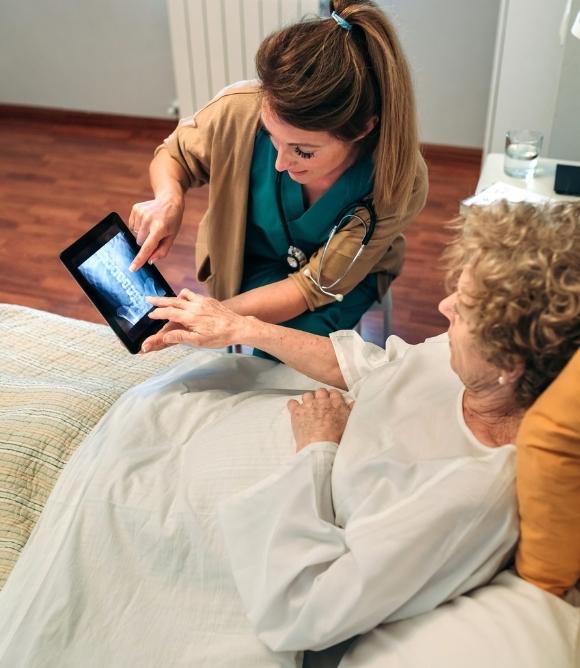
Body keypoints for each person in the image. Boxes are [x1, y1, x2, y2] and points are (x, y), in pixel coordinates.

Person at [0, 203, 577, 666]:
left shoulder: (473, 496)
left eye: (467, 307)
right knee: (150, 410)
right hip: (259, 423)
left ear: (513, 363)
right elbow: (371, 366)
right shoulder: (464, 375)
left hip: (257, 524)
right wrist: (239, 327)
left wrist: (318, 453)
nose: (445, 305)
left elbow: (308, 608)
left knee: (102, 525)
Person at [129, 0, 428, 354]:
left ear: (362, 130)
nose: (280, 164)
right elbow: (174, 154)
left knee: (280, 359)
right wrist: (169, 197)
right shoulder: (240, 110)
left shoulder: (397, 180)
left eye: (303, 151)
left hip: (337, 285)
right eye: (272, 138)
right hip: (248, 260)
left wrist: (218, 317)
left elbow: (311, 287)